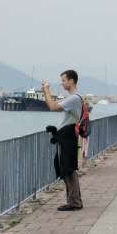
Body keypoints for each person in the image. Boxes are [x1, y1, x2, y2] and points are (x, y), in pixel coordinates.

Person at [41, 69, 84, 211]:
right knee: (66, 167)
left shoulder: (73, 98)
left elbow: (52, 107)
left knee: (68, 168)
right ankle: (74, 200)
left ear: (71, 81)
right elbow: (54, 105)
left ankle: (74, 202)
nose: (62, 83)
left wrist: (46, 90)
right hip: (67, 136)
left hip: (68, 137)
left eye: (64, 80)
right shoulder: (72, 98)